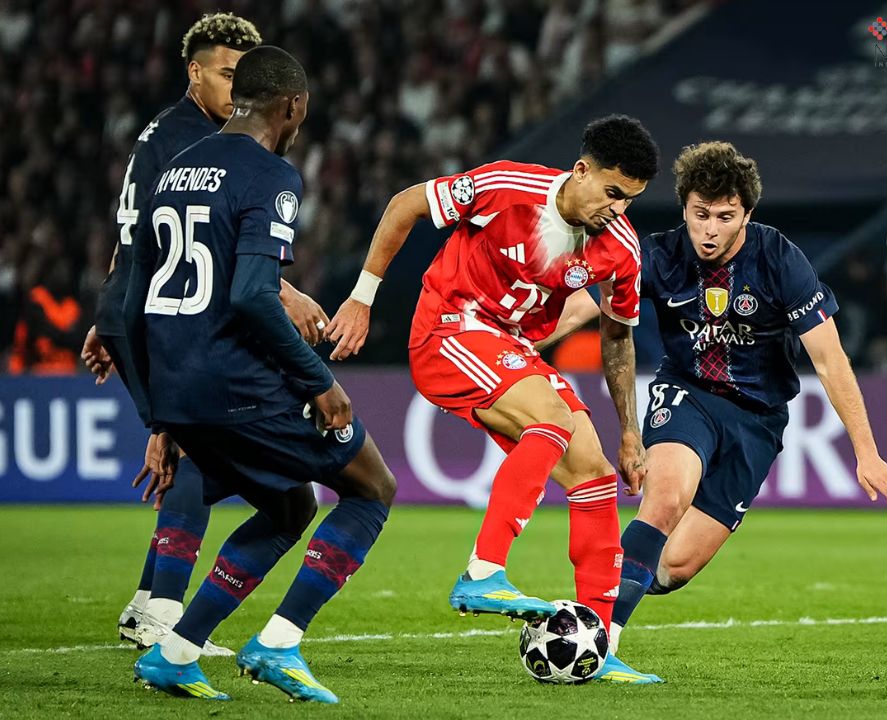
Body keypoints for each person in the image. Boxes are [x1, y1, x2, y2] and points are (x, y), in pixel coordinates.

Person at [326, 114, 661, 683]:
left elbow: (618, 335)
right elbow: (405, 205)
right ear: (580, 171)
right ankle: (483, 571)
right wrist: (362, 297)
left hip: (510, 347)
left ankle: (597, 646)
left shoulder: (620, 250)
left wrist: (630, 429)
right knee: (552, 418)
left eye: (629, 200)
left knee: (595, 472)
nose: (618, 210)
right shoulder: (507, 187)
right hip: (447, 328)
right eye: (611, 193)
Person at [123, 46, 395, 703]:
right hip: (234, 382)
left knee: (291, 503)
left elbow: (132, 302)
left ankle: (176, 652)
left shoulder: (176, 170)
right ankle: (279, 643)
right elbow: (250, 293)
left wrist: (159, 416)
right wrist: (317, 380)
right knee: (371, 486)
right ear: (292, 106)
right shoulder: (271, 175)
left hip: (176, 384)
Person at [598, 141, 887, 679]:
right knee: (665, 497)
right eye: (700, 215)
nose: (710, 230)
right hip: (686, 394)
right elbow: (587, 304)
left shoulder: (779, 258)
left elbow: (830, 359)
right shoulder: (659, 253)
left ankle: (605, 579)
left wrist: (868, 453)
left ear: (747, 214)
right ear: (684, 209)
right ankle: (598, 641)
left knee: (674, 567)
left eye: (725, 216)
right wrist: (520, 343)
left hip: (757, 420)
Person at [77, 12, 328, 653]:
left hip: (140, 306)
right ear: (194, 73)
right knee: (193, 452)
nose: (236, 86)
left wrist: (109, 309)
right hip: (159, 313)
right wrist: (289, 291)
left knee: (195, 452)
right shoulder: (190, 141)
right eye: (225, 74)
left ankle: (147, 602)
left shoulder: (174, 135)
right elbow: (192, 252)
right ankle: (163, 611)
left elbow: (142, 236)